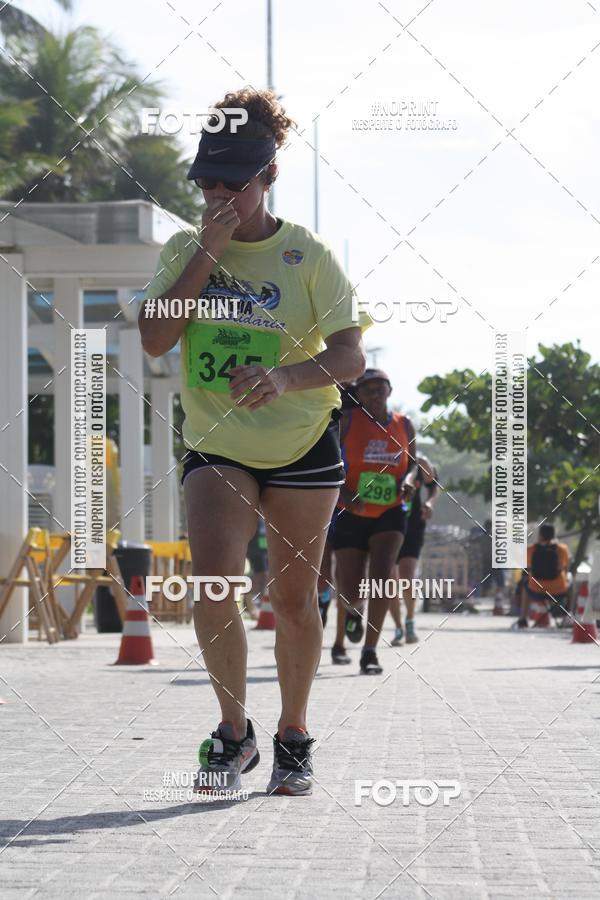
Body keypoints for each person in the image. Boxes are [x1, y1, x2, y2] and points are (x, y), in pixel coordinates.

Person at [138, 88, 371, 796]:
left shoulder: (308, 255)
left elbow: (351, 358)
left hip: (303, 440)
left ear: (268, 177)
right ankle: (234, 733)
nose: (217, 194)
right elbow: (154, 339)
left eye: (233, 183)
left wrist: (285, 376)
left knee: (296, 600)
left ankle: (293, 733)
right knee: (216, 581)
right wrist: (207, 250)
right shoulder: (185, 247)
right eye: (206, 181)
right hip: (218, 439)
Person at [330, 370, 417, 674]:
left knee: (382, 577)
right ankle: (354, 609)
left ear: (390, 390)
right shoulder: (348, 421)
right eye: (369, 389)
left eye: (381, 388)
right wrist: (345, 491)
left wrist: (408, 481)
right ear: (360, 394)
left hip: (390, 510)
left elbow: (414, 465)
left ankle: (370, 651)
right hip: (351, 510)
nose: (376, 394)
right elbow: (328, 461)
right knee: (350, 587)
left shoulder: (404, 424)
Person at [389, 455, 439, 645]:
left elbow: (434, 486)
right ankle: (398, 627)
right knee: (389, 581)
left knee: (407, 576)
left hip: (413, 526)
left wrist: (429, 504)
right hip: (387, 524)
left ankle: (409, 620)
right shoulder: (385, 458)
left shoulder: (421, 463)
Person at [515, 524, 571, 628]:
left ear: (540, 535)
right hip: (558, 590)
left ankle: (523, 618)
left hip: (536, 589)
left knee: (524, 583)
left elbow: (527, 567)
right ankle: (567, 617)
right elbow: (565, 567)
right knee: (570, 585)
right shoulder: (562, 549)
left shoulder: (530, 550)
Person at [242, 519, 268, 620]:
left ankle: (257, 604)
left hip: (262, 553)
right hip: (254, 553)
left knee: (263, 578)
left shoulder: (262, 520)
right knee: (256, 578)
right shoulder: (253, 519)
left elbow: (263, 539)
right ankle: (252, 605)